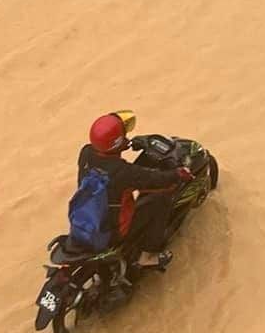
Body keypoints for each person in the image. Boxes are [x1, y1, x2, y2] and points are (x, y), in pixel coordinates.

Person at [75, 111, 189, 270]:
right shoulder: (123, 172)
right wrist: (178, 174)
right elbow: (155, 180)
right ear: (116, 142)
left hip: (87, 221)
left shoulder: (86, 153)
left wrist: (126, 144)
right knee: (161, 198)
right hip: (114, 231)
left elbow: (109, 165)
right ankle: (148, 256)